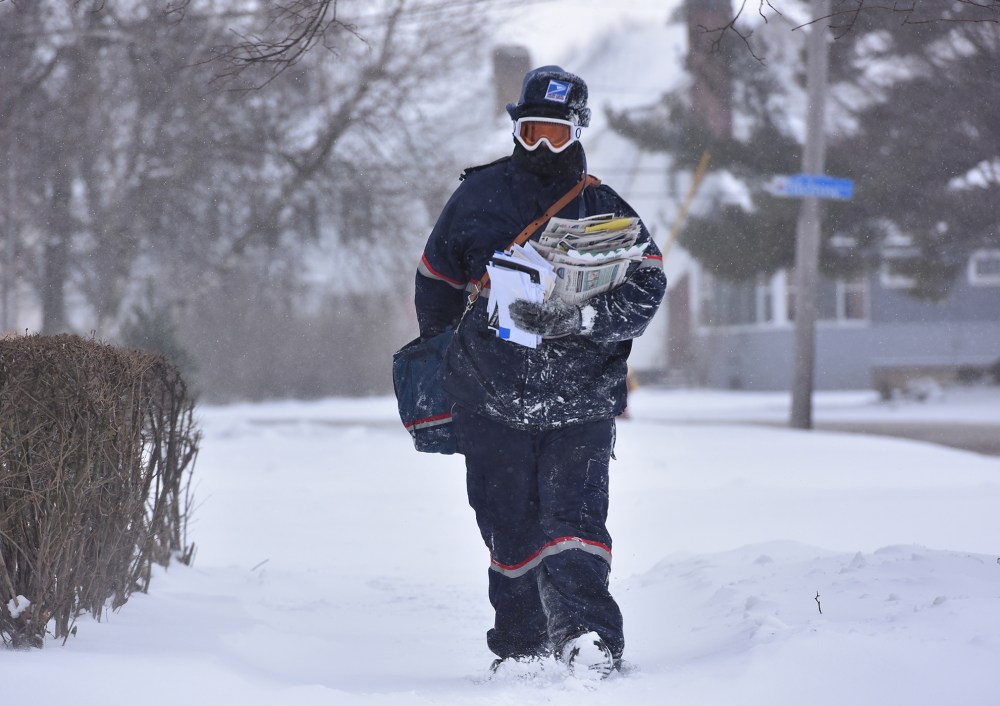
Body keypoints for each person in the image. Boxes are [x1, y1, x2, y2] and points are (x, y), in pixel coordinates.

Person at [413, 65, 666, 678]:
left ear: (578, 129)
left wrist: (577, 321)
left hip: (580, 397)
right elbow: (435, 283)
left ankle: (588, 641)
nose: (542, 146)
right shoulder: (475, 198)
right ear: (516, 129)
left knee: (574, 520)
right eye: (531, 131)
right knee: (508, 524)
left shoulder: (605, 207)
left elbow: (648, 287)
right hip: (489, 397)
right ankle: (523, 645)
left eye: (555, 132)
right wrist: (447, 358)